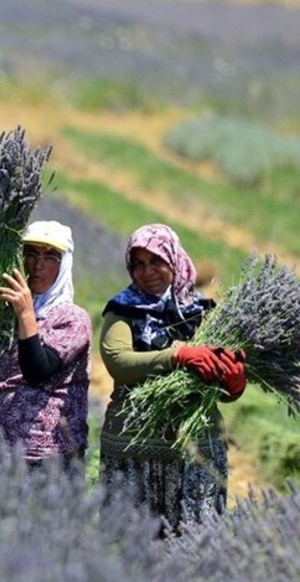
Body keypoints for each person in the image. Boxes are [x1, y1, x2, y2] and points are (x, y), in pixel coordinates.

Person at [98, 223, 246, 534]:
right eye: (138, 264)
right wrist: (176, 356)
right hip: (135, 446)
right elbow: (119, 362)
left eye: (156, 262)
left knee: (196, 543)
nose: (146, 271)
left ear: (174, 260)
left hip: (197, 449)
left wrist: (233, 384)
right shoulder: (123, 309)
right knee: (134, 545)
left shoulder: (204, 311)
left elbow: (218, 385)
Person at [0, 220, 91, 473]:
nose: (38, 265)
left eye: (50, 257)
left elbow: (37, 371)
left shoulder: (72, 318)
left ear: (64, 264)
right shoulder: (7, 314)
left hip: (45, 458)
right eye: (31, 254)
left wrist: (25, 314)